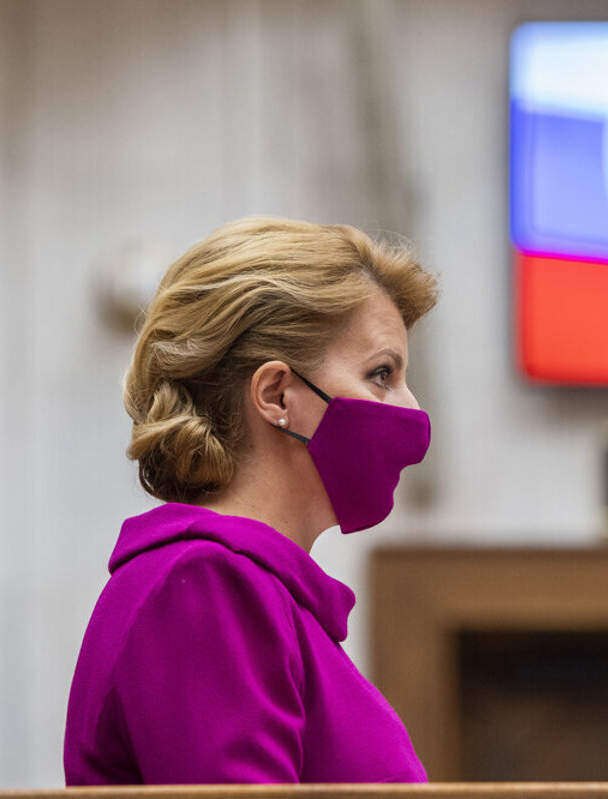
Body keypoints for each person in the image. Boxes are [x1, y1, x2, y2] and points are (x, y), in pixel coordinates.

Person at [64, 216, 437, 784]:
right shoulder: (207, 583)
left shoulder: (255, 590)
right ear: (276, 394)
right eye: (381, 374)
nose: (410, 409)